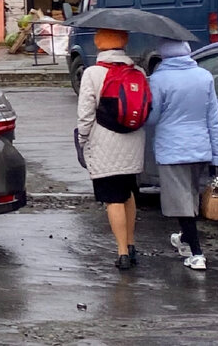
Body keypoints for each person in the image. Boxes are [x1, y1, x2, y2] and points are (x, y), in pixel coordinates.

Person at [147, 40, 218, 271]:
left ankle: (197, 253)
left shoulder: (159, 80)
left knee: (181, 202)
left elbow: (152, 118)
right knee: (189, 196)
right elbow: (213, 118)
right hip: (201, 148)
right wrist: (217, 157)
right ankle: (184, 239)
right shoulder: (204, 76)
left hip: (172, 149)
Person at [76, 27, 147, 271]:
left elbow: (85, 114)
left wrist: (82, 139)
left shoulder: (93, 73)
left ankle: (122, 253)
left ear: (99, 44)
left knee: (113, 199)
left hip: (105, 143)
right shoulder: (138, 71)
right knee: (128, 194)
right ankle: (131, 243)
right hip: (133, 141)